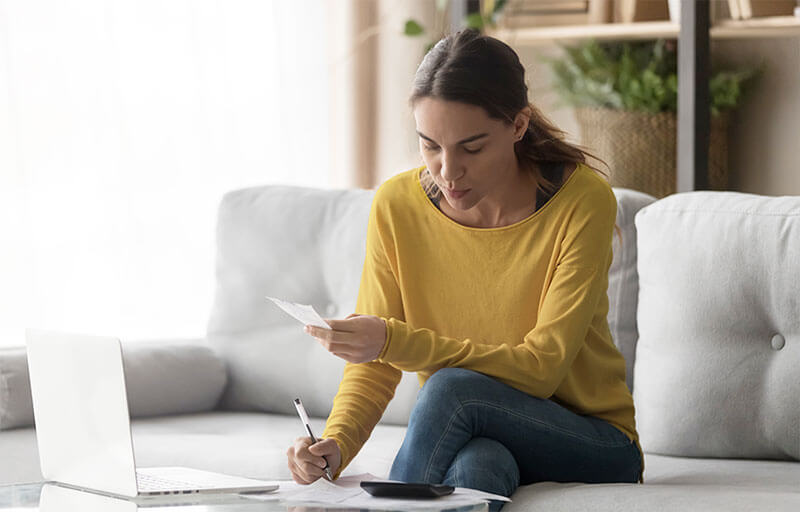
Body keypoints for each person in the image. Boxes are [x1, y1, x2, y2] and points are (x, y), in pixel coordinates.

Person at [286, 28, 643, 511]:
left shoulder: (580, 203)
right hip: (484, 429)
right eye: (430, 146)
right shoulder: (397, 205)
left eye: (471, 148)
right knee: (478, 467)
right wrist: (336, 446)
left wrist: (393, 340)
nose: (447, 171)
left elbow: (541, 369)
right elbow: (374, 368)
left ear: (518, 126)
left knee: (451, 388)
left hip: (594, 440)